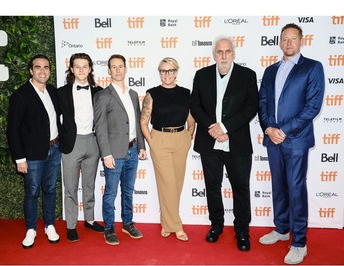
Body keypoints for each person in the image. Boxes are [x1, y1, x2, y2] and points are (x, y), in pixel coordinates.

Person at [258, 23, 325, 264]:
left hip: (295, 140)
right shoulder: (270, 70)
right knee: (279, 186)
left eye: (293, 39)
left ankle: (299, 242)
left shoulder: (312, 68)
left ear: (301, 41)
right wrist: (268, 128)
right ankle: (281, 228)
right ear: (279, 42)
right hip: (272, 139)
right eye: (284, 39)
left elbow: (312, 107)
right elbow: (263, 103)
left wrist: (283, 131)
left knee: (296, 188)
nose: (288, 43)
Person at [190, 36, 259, 251]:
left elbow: (251, 107)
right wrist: (214, 128)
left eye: (227, 51)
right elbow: (195, 105)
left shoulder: (247, 75)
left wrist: (225, 127)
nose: (223, 55)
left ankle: (242, 231)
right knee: (212, 187)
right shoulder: (201, 75)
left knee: (240, 188)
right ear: (214, 54)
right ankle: (216, 225)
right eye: (219, 52)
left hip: (236, 142)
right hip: (209, 141)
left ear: (234, 53)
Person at [7, 54, 61, 249]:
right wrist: (19, 158)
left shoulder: (53, 92)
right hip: (31, 155)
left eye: (46, 67)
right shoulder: (21, 95)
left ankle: (49, 225)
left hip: (54, 149)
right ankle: (31, 229)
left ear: (49, 70)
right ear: (31, 70)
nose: (42, 71)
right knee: (31, 192)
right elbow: (12, 129)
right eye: (38, 67)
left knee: (50, 189)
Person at [94, 54, 147, 246]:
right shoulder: (103, 96)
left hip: (133, 151)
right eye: (113, 67)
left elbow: (137, 121)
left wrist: (141, 146)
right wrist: (106, 154)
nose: (117, 70)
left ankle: (128, 223)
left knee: (128, 190)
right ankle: (109, 227)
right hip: (114, 154)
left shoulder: (133, 94)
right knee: (110, 193)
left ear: (126, 69)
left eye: (120, 67)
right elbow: (99, 127)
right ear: (109, 70)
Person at [140, 57, 195, 242]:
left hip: (181, 139)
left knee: (176, 185)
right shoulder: (152, 94)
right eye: (163, 71)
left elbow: (191, 119)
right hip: (160, 139)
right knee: (168, 184)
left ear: (176, 72)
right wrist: (152, 142)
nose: (167, 74)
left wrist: (189, 136)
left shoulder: (186, 93)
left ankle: (166, 222)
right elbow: (143, 121)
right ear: (159, 73)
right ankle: (177, 226)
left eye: (170, 70)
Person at [58, 53, 104, 242]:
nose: (81, 70)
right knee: (70, 187)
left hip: (93, 143)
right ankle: (70, 224)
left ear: (91, 69)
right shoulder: (61, 92)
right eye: (77, 66)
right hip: (72, 143)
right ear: (71, 69)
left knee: (89, 185)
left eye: (85, 66)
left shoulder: (99, 92)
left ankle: (90, 219)